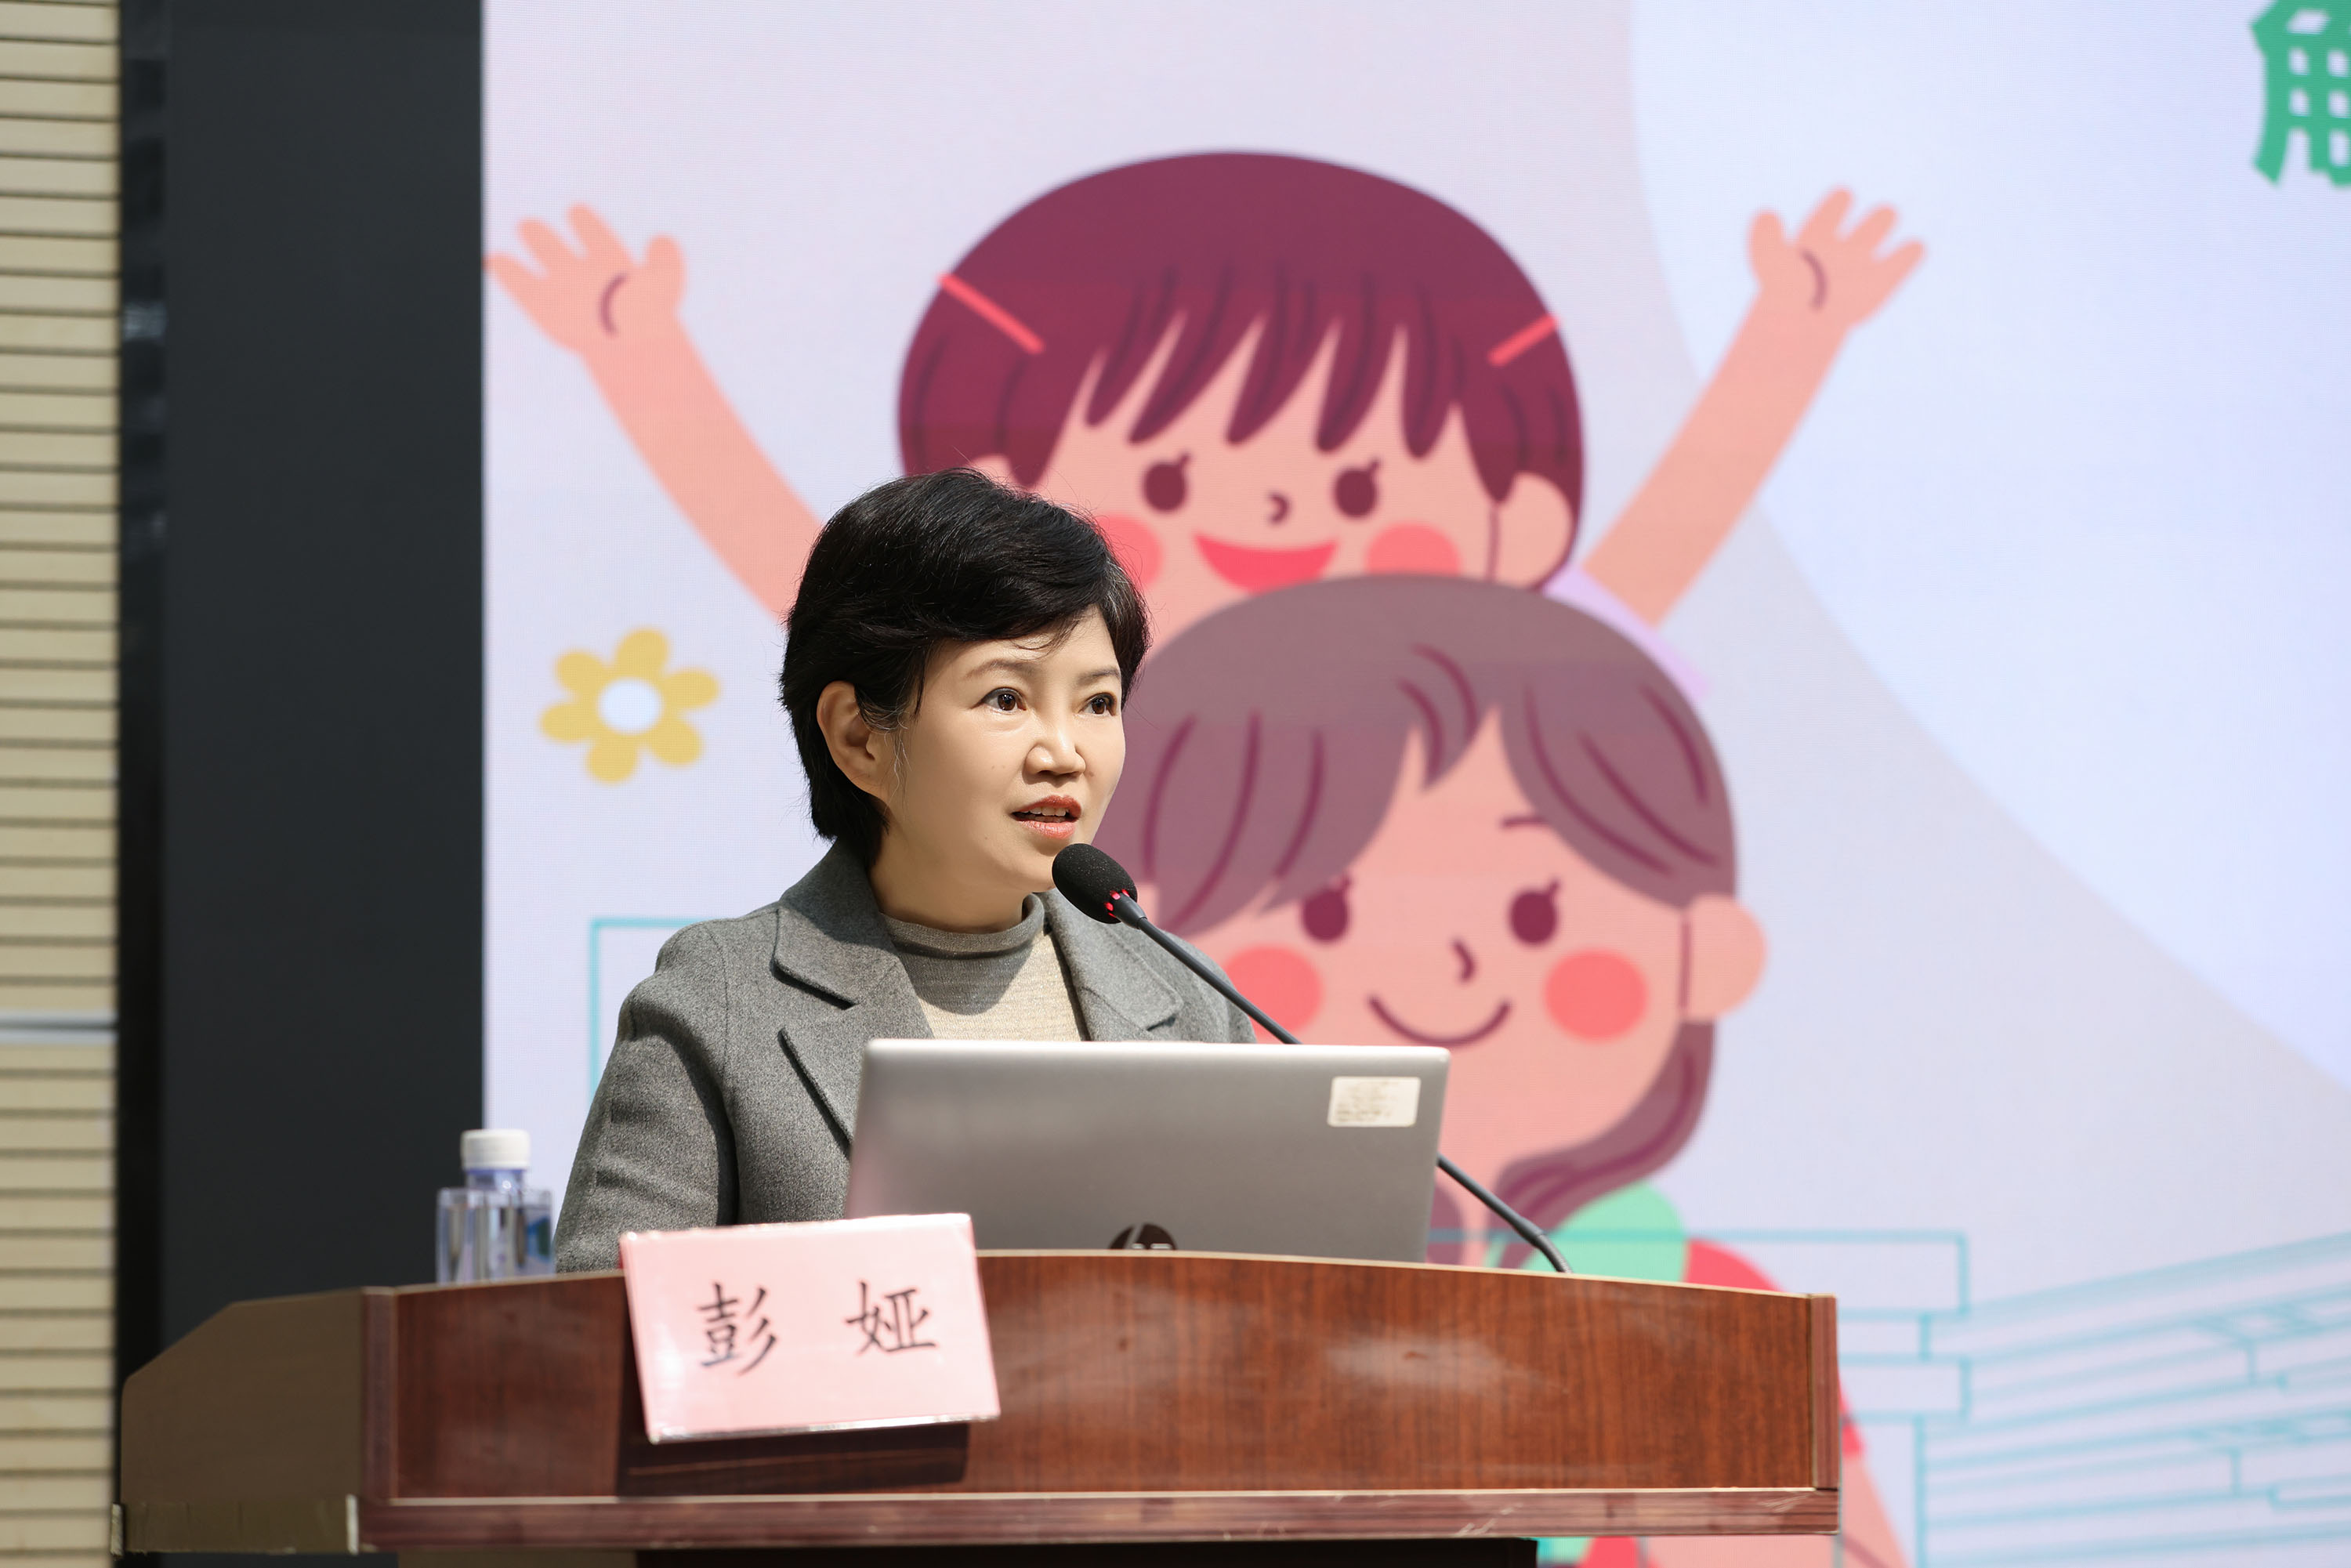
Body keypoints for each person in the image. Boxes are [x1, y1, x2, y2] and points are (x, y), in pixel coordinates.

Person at [1095, 574, 1909, 1568]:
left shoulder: (1702, 1306)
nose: (1449, 967)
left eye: (1536, 914)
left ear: (1707, 954)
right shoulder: (1240, 1283)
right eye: (1330, 913)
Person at [553, 469, 1253, 1272]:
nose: (1064, 753)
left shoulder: (1192, 1000)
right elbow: (602, 1324)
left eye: (1098, 703)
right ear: (859, 737)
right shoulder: (719, 1006)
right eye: (1005, 698)